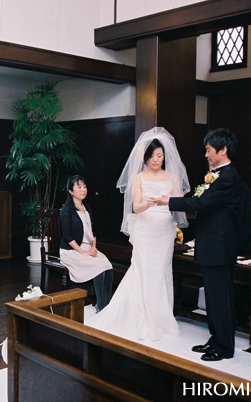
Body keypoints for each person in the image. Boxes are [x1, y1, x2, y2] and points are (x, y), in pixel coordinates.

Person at [151, 128, 251, 362]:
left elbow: (202, 203)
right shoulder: (219, 175)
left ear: (223, 150)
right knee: (213, 297)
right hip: (212, 246)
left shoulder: (229, 177)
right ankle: (216, 339)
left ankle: (224, 347)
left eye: (209, 150)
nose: (206, 154)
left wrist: (167, 200)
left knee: (221, 298)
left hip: (220, 247)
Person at [87, 127, 190, 341]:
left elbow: (178, 202)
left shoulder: (171, 176)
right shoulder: (140, 177)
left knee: (162, 271)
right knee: (143, 271)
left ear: (164, 156)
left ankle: (161, 319)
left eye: (159, 156)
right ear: (145, 157)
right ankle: (141, 316)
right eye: (152, 156)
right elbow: (135, 207)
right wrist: (149, 203)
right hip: (145, 230)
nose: (156, 159)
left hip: (164, 231)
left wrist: (167, 201)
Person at [59, 175, 113, 312]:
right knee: (98, 266)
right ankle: (101, 307)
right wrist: (83, 252)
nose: (83, 190)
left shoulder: (87, 207)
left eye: (84, 187)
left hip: (88, 247)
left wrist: (93, 248)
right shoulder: (67, 210)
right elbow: (67, 236)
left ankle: (105, 304)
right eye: (79, 187)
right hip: (71, 251)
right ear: (71, 191)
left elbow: (93, 231)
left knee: (107, 265)